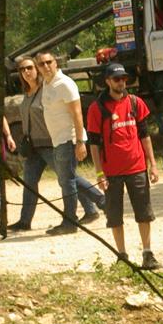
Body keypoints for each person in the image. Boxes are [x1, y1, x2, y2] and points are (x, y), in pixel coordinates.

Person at [84, 63, 160, 269]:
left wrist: (153, 164)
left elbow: (145, 136)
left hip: (136, 167)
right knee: (115, 215)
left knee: (144, 212)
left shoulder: (136, 103)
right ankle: (122, 256)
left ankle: (147, 253)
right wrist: (99, 172)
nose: (121, 82)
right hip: (111, 171)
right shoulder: (97, 108)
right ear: (107, 81)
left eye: (124, 79)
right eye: (116, 79)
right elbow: (94, 143)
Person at [35, 51, 104, 235]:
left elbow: (77, 114)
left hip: (69, 138)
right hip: (57, 139)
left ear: (56, 63)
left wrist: (80, 141)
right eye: (42, 64)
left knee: (66, 181)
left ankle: (70, 222)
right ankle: (97, 206)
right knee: (69, 177)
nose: (46, 66)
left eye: (49, 62)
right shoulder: (46, 84)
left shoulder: (65, 84)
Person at [2, 57, 53, 231]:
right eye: (23, 69)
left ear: (36, 69)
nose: (26, 72)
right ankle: (25, 221)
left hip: (49, 143)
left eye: (30, 68)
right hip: (33, 146)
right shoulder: (28, 92)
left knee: (68, 178)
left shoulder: (46, 89)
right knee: (29, 182)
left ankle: (98, 203)